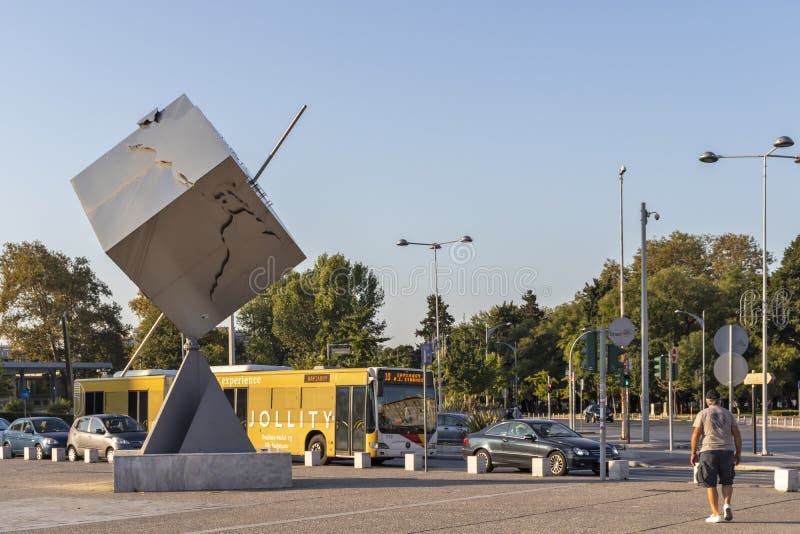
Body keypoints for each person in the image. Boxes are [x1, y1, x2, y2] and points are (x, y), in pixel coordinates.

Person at [690, 388, 742, 523]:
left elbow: (696, 435)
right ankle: (727, 505)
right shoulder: (728, 414)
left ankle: (715, 514)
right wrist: (738, 453)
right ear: (719, 400)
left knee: (710, 483)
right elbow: (737, 435)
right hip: (727, 451)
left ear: (707, 401)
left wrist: (693, 453)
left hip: (708, 451)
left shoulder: (703, 414)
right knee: (727, 481)